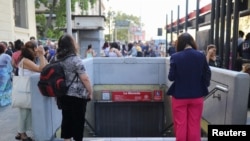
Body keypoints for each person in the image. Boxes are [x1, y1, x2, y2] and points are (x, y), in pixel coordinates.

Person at [166, 32, 211, 141]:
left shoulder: (175, 57)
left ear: (179, 44)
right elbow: (207, 73)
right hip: (197, 96)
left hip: (179, 96)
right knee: (195, 125)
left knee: (181, 125)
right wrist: (203, 85)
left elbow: (171, 77)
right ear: (192, 42)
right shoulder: (201, 55)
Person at [56, 34, 93, 141]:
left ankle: (66, 140)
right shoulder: (75, 59)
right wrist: (90, 92)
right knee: (78, 121)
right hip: (78, 95)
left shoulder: (57, 58)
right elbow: (85, 78)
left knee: (66, 119)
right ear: (72, 45)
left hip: (63, 93)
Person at [15, 40, 48, 141]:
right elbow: (41, 69)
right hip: (25, 90)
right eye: (36, 49)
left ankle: (20, 132)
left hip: (27, 90)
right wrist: (41, 55)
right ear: (34, 49)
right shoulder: (25, 61)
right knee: (24, 112)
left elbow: (46, 66)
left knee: (25, 112)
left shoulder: (26, 60)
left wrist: (41, 56)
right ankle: (22, 134)